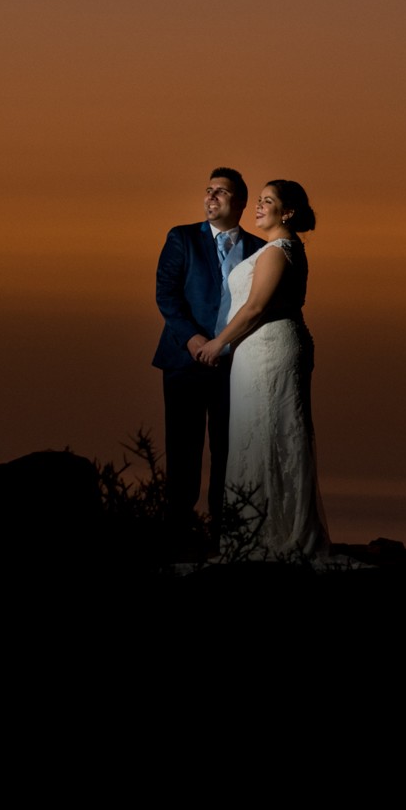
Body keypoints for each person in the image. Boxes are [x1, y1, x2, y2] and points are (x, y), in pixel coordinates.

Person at [197, 179, 330, 561]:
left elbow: (255, 308)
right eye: (257, 200)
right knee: (259, 433)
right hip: (258, 351)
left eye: (267, 201)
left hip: (270, 349)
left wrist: (216, 343)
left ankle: (273, 532)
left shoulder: (278, 251)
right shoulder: (277, 249)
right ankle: (259, 529)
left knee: (269, 431)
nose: (258, 207)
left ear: (287, 212)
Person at [154, 168, 263, 524]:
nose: (211, 197)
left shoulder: (260, 250)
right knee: (183, 450)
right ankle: (178, 530)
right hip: (184, 362)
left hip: (234, 367)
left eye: (222, 192)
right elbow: (166, 295)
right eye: (208, 190)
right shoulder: (181, 238)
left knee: (228, 452)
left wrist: (226, 345)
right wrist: (193, 339)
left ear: (241, 202)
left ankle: (224, 530)